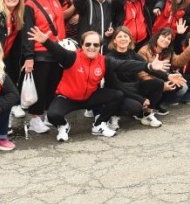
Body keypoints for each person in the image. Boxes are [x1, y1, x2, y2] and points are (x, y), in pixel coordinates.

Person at [28, 27, 167, 141]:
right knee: (52, 115)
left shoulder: (104, 60)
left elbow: (126, 64)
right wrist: (46, 41)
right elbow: (59, 52)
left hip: (90, 97)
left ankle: (99, 124)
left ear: (100, 47)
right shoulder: (72, 57)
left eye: (95, 45)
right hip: (68, 98)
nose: (91, 47)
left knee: (116, 95)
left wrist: (148, 67)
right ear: (82, 45)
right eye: (88, 44)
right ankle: (63, 126)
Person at [23, 0, 78, 134]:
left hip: (57, 50)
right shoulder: (30, 4)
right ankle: (35, 118)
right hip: (40, 53)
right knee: (39, 85)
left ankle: (44, 115)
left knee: (52, 85)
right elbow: (27, 32)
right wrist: (29, 56)